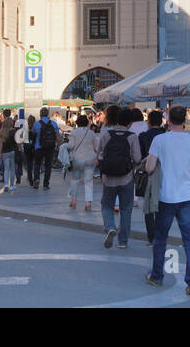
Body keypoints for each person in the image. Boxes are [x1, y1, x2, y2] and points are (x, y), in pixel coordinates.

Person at [143, 105, 190, 295]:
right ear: (185, 120)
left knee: (161, 238)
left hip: (166, 196)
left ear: (168, 120)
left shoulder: (160, 140)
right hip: (187, 195)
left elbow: (149, 168)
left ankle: (157, 276)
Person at [96, 105, 142, 249]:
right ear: (129, 123)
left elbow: (99, 154)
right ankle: (123, 241)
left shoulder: (107, 135)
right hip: (126, 178)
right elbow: (138, 158)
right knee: (126, 209)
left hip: (108, 178)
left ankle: (110, 227)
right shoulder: (132, 137)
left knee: (106, 205)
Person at [139, 110, 167, 243]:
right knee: (162, 204)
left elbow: (140, 156)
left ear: (148, 122)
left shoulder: (143, 136)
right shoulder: (165, 135)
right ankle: (161, 234)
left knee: (149, 205)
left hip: (149, 172)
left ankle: (152, 237)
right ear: (161, 121)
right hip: (165, 172)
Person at [66, 114, 98, 212]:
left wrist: (65, 147)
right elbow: (96, 147)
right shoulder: (92, 133)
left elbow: (70, 146)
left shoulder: (74, 132)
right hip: (90, 159)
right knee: (88, 181)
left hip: (78, 159)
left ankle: (74, 201)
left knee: (75, 180)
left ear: (77, 123)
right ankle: (88, 203)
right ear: (87, 123)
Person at [32, 107, 60, 190]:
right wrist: (58, 145)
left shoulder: (36, 124)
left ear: (40, 114)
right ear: (47, 114)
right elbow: (58, 137)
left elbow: (33, 133)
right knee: (48, 166)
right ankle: (45, 184)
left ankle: (36, 179)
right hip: (50, 148)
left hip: (39, 147)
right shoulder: (53, 124)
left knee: (37, 164)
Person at [0, 109, 18, 193]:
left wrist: (0, 153)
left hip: (5, 152)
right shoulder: (13, 131)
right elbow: (17, 142)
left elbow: (1, 144)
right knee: (12, 169)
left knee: (6, 169)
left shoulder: (1, 132)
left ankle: (6, 184)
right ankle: (12, 185)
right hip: (12, 151)